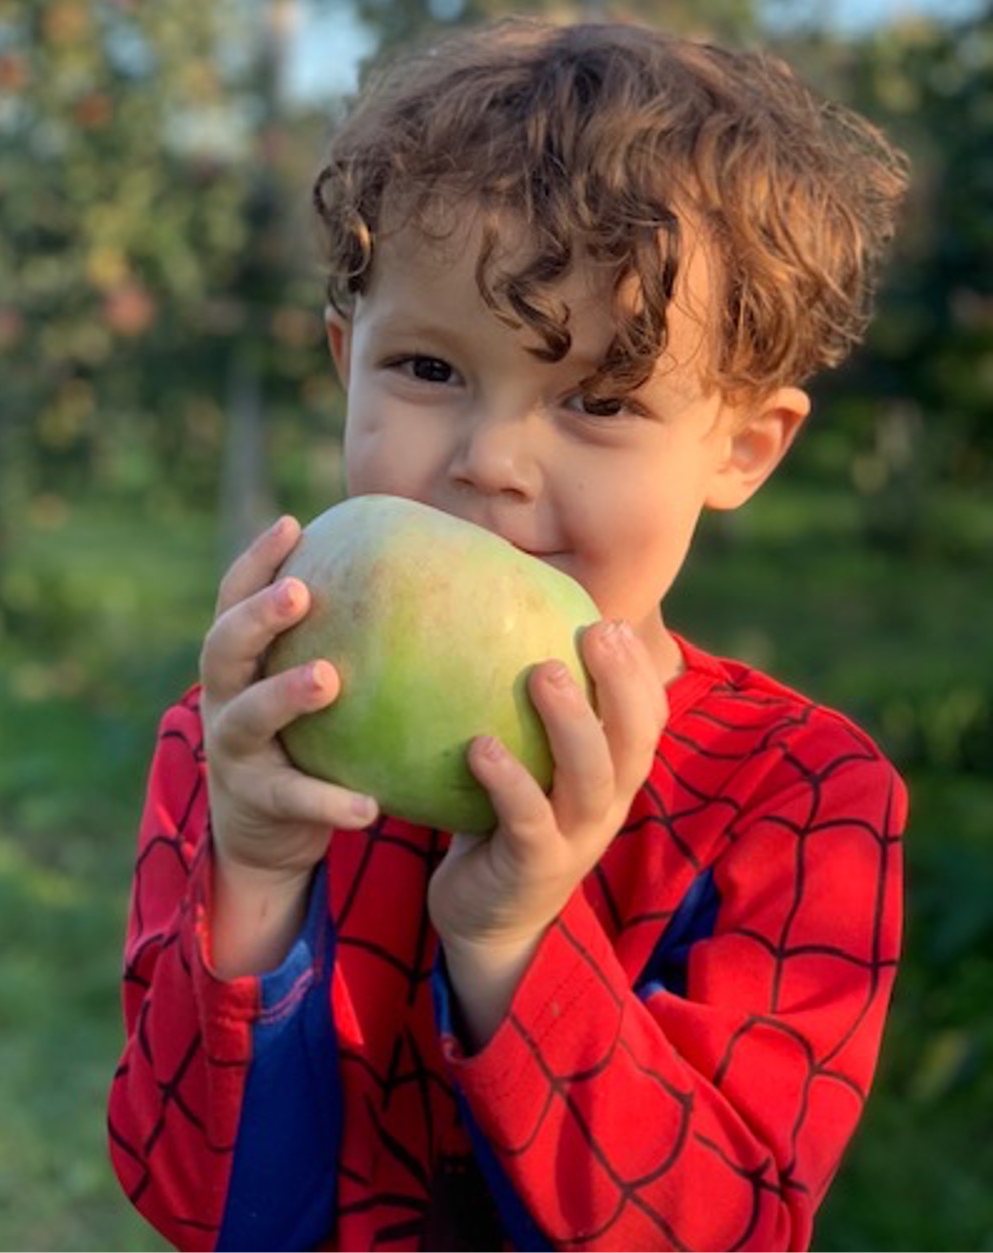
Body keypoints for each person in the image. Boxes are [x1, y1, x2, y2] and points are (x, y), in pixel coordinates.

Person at [107, 16, 910, 1252]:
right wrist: (257, 873)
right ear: (345, 361)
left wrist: (514, 938)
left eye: (599, 399)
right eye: (428, 368)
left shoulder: (799, 798)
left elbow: (725, 1232)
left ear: (743, 448)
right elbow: (191, 1201)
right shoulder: (257, 748)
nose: (490, 461)